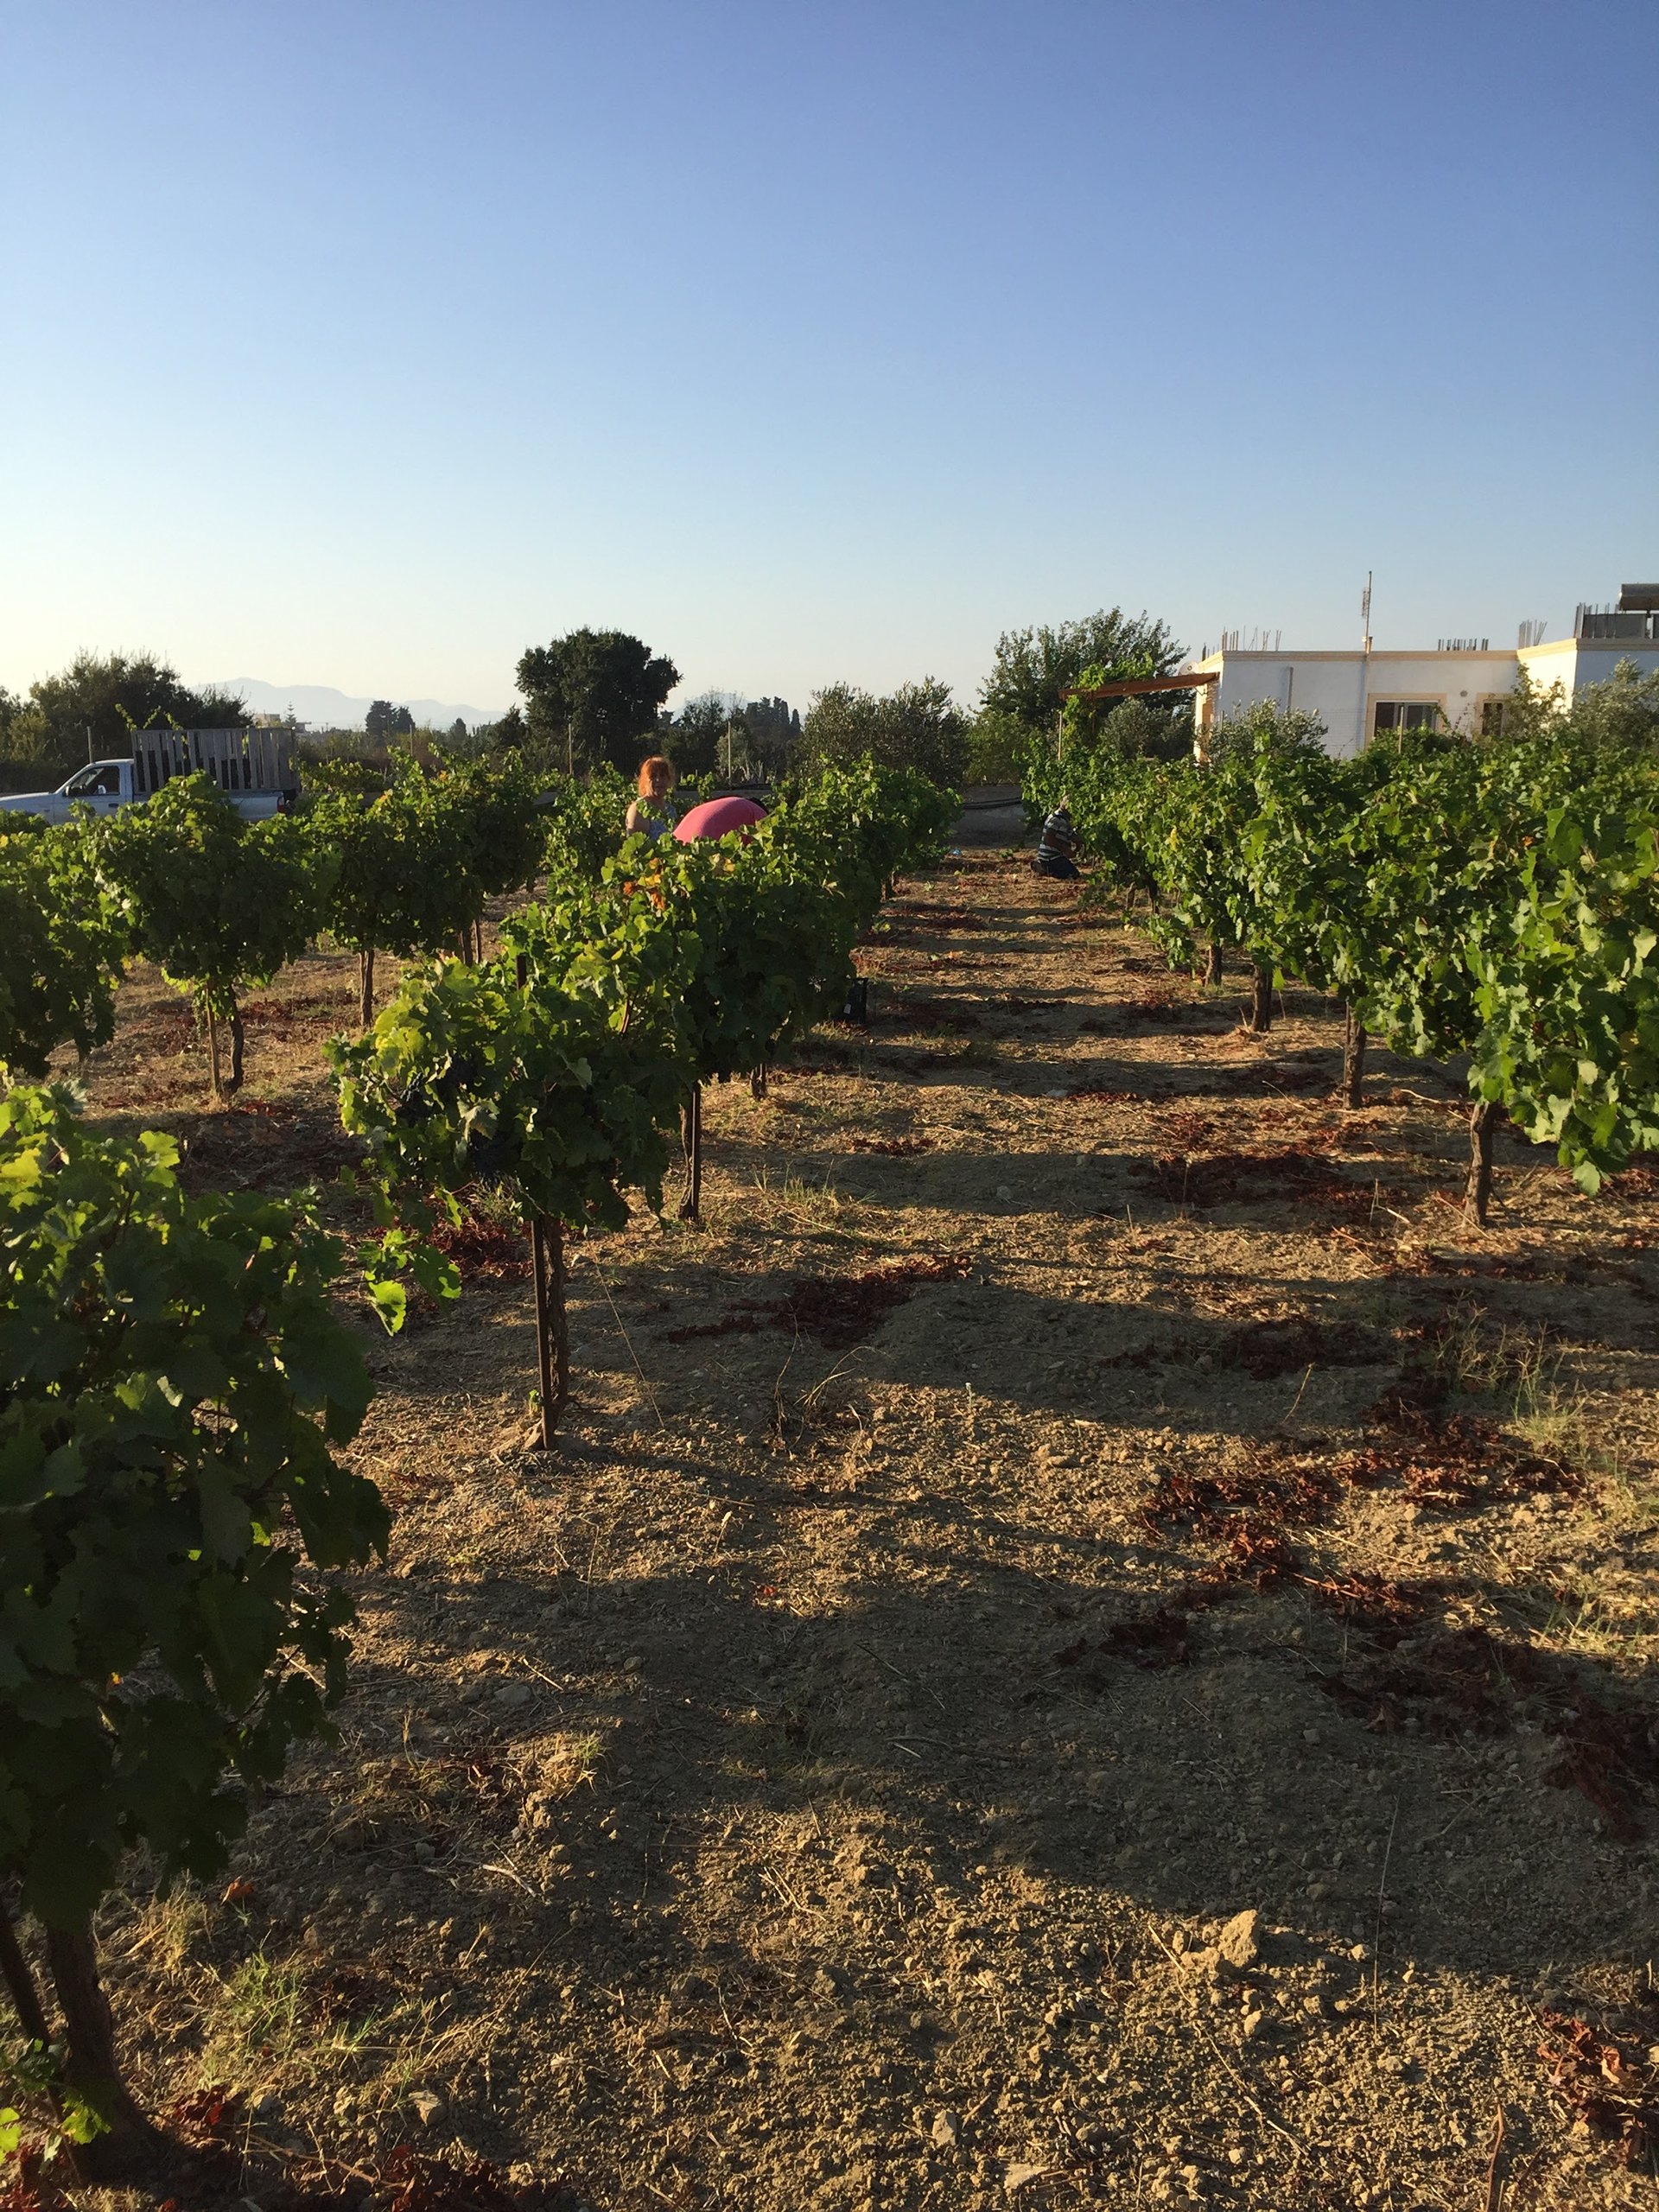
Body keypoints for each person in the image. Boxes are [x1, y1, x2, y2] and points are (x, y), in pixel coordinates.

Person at [626, 756, 680, 840]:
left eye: (662, 776)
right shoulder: (639, 809)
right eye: (653, 776)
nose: (658, 780)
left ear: (669, 780)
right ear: (645, 780)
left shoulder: (670, 810)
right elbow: (637, 848)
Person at [1034, 796, 1081, 880]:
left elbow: (1070, 835)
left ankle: (1044, 867)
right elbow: (1048, 838)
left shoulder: (1066, 820)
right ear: (1060, 802)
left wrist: (1079, 843)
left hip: (1057, 856)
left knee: (1072, 873)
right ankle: (1042, 867)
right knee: (1072, 875)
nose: (1068, 804)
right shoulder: (1056, 819)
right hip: (1050, 857)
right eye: (1066, 801)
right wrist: (1065, 850)